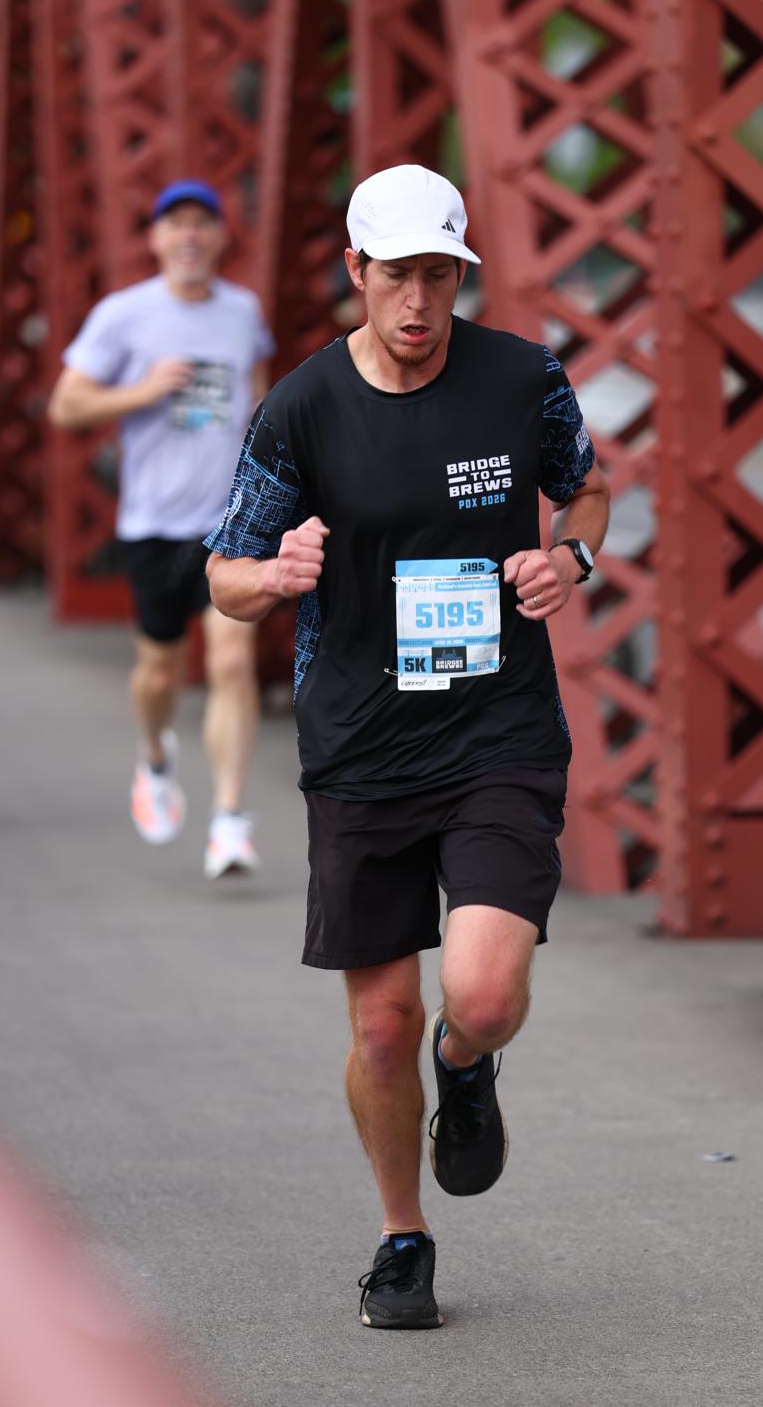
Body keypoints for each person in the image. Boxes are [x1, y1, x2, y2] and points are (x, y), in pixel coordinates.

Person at [205, 163, 610, 1327]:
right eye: (397, 276)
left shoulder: (522, 378)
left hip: (497, 730)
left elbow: (587, 490)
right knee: (381, 1022)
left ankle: (467, 1062)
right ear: (357, 271)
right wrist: (273, 574)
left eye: (440, 275)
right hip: (361, 741)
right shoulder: (302, 406)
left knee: (480, 991)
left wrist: (569, 557)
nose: (419, 300)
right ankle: (401, 1234)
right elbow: (224, 572)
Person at [48, 179, 273, 876]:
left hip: (229, 524)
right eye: (176, 224)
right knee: (158, 672)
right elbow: (65, 407)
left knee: (231, 663)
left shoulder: (242, 312)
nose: (190, 236)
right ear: (155, 239)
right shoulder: (124, 315)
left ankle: (229, 819)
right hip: (153, 524)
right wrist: (144, 390)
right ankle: (153, 757)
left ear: (220, 237)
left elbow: (258, 398)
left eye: (202, 223)